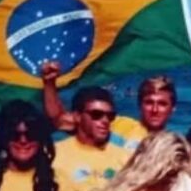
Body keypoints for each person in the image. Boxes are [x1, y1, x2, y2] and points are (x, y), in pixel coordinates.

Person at [42, 63, 178, 152]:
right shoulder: (115, 125)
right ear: (139, 104)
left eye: (162, 104)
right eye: (149, 102)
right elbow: (59, 119)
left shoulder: (173, 146)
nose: (154, 109)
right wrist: (49, 83)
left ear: (173, 108)